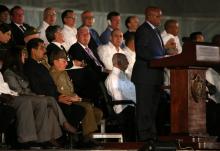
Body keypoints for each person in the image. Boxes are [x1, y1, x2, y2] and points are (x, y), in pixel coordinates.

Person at [23, 38, 85, 132]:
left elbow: (51, 85)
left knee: (79, 109)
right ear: (33, 50)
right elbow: (36, 88)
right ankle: (67, 136)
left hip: (55, 96)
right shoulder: (30, 66)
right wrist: (57, 98)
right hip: (45, 99)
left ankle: (71, 137)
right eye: (41, 48)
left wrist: (59, 96)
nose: (45, 50)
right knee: (75, 109)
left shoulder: (40, 65)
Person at [49, 48, 103, 137]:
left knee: (98, 113)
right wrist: (72, 97)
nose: (66, 63)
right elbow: (59, 93)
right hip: (65, 102)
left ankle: (83, 135)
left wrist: (75, 95)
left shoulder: (64, 72)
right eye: (63, 61)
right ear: (55, 62)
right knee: (87, 107)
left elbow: (70, 89)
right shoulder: (53, 74)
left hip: (73, 99)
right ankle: (87, 138)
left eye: (66, 61)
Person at [131, 6, 165, 141]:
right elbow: (142, 51)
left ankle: (152, 135)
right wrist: (159, 59)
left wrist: (167, 54)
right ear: (149, 16)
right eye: (157, 16)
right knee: (144, 107)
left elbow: (156, 52)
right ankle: (144, 136)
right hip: (145, 76)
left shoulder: (155, 31)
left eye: (160, 16)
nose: (160, 19)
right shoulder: (143, 30)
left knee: (152, 107)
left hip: (155, 76)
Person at [68, 26, 106, 103]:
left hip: (99, 75)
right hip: (89, 80)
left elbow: (99, 63)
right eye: (83, 34)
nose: (86, 36)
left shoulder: (91, 48)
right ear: (77, 36)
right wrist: (103, 71)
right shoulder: (75, 48)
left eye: (88, 34)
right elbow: (86, 65)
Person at [105, 53, 136, 142]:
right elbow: (118, 99)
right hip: (123, 109)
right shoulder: (112, 78)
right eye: (126, 60)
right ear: (119, 62)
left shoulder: (123, 75)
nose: (128, 62)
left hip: (131, 104)